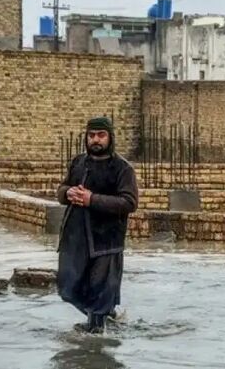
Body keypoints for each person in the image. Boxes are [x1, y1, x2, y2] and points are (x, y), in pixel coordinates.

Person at [56, 117, 138, 333]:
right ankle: (107, 315)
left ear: (110, 138)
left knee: (100, 291)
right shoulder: (78, 162)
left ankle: (95, 341)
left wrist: (92, 199)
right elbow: (62, 189)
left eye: (101, 135)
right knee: (68, 288)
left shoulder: (122, 168)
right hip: (76, 238)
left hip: (106, 241)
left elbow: (129, 202)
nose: (96, 140)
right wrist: (68, 193)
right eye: (91, 135)